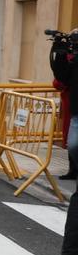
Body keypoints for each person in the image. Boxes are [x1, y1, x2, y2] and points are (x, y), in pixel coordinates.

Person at [48, 29, 78, 180]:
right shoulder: (71, 58)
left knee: (72, 140)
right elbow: (60, 81)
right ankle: (73, 169)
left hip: (71, 104)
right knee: (72, 141)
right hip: (73, 106)